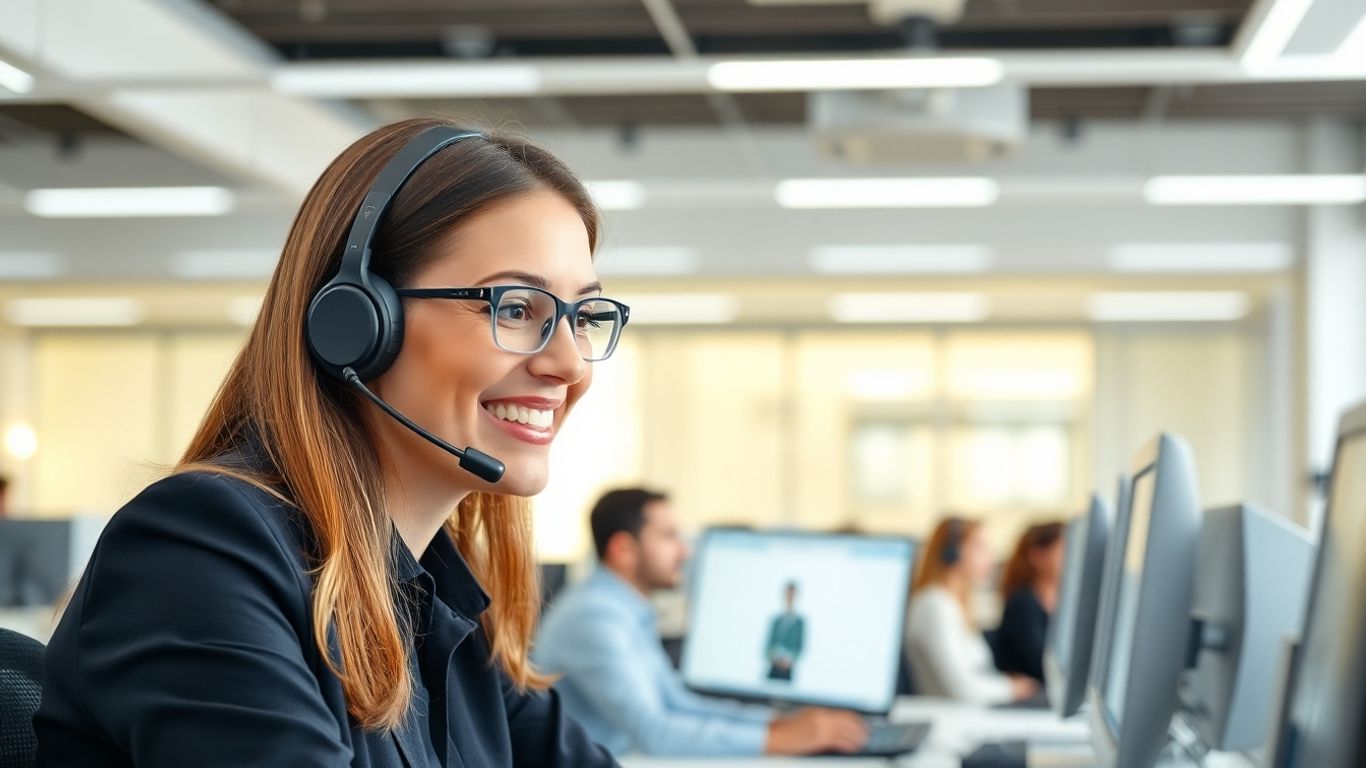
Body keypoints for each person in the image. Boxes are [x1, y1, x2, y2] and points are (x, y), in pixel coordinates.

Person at [35, 120, 626, 767]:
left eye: (583, 316)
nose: (571, 365)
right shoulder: (198, 549)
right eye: (516, 308)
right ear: (357, 322)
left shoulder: (443, 604)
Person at [534, 488, 869, 757]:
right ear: (624, 548)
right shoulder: (594, 617)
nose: (686, 551)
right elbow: (655, 732)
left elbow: (678, 703)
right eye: (669, 537)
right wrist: (778, 739)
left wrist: (778, 723)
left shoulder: (622, 611)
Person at [904, 517, 1040, 705]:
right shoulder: (934, 605)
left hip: (969, 714)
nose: (989, 558)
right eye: (980, 547)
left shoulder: (956, 605)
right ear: (951, 553)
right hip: (950, 718)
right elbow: (961, 689)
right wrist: (1012, 688)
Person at [994, 521, 1065, 684]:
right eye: (1063, 549)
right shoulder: (1022, 603)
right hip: (1028, 691)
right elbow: (1038, 663)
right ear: (1037, 556)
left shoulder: (1062, 602)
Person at [764, 581, 805, 682]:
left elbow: (799, 646)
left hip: (788, 670)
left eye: (792, 594)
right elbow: (769, 644)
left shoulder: (799, 622)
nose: (790, 597)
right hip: (773, 667)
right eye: (788, 594)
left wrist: (789, 659)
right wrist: (775, 657)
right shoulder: (777, 620)